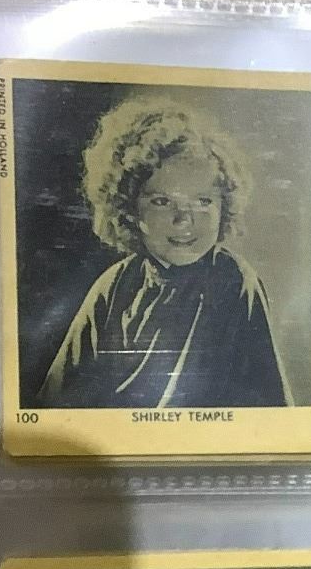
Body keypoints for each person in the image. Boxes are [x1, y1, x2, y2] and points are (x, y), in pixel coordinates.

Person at [39, 100, 292, 409]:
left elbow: (269, 407)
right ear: (129, 208)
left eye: (202, 201)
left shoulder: (233, 283)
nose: (183, 220)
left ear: (224, 206)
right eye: (162, 202)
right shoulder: (115, 285)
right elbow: (56, 400)